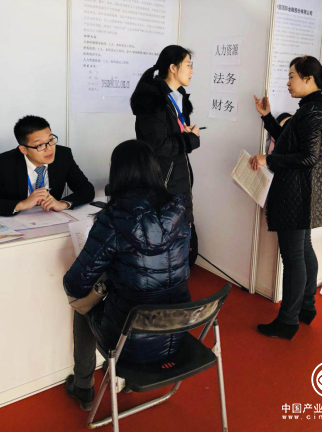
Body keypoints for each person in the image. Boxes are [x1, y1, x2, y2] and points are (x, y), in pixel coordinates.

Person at [63, 139, 191, 411]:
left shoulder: (114, 219)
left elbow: (75, 284)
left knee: (83, 306)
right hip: (177, 329)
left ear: (117, 173)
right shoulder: (179, 209)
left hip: (130, 341)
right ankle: (126, 381)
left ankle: (83, 385)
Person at [250, 56, 322, 340]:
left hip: (298, 194)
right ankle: (305, 308)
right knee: (303, 250)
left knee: (293, 257)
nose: (288, 82)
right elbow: (290, 143)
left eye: (291, 76)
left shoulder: (313, 111)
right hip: (303, 194)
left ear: (308, 78)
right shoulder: (313, 107)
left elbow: (307, 157)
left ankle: (288, 321)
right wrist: (267, 117)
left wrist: (268, 159)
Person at [130, 45, 200, 264]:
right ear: (173, 68)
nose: (191, 71)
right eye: (188, 65)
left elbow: (169, 137)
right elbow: (158, 145)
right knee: (165, 254)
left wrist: (185, 133)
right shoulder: (153, 100)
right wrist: (191, 139)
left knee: (179, 251)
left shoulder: (175, 98)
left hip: (176, 181)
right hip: (162, 185)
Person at [0, 115, 95, 216]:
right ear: (23, 149)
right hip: (16, 226)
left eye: (50, 140)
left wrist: (63, 203)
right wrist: (21, 204)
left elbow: (87, 190)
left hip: (50, 220)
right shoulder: (4, 163)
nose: (49, 149)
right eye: (40, 145)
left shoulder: (63, 155)